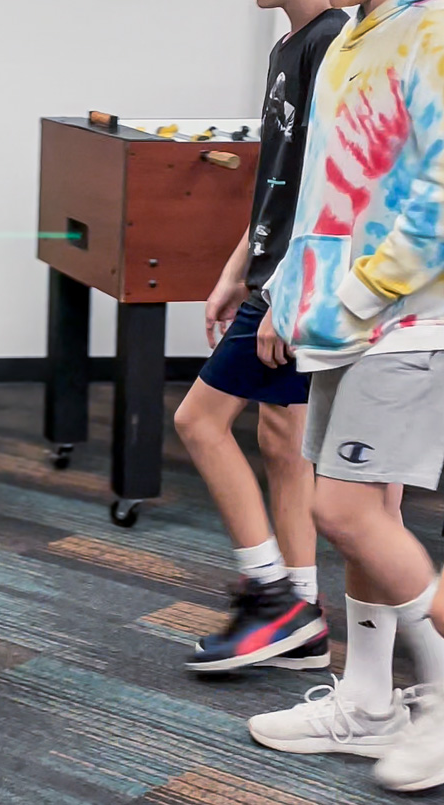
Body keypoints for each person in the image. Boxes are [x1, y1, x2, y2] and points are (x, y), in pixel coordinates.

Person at [244, 0, 444, 793]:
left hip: (410, 322)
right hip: (346, 324)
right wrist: (297, 301)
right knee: (367, 517)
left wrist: (359, 295)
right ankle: (367, 701)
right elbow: (330, 191)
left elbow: (439, 189)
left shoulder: (429, 26)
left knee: (344, 511)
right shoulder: (351, 38)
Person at [177, 0, 348, 673]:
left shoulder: (330, 41)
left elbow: (331, 183)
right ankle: (303, 616)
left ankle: (272, 593)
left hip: (297, 286)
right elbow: (278, 184)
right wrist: (235, 272)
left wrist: (283, 294)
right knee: (283, 440)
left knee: (199, 422)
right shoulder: (290, 46)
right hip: (278, 278)